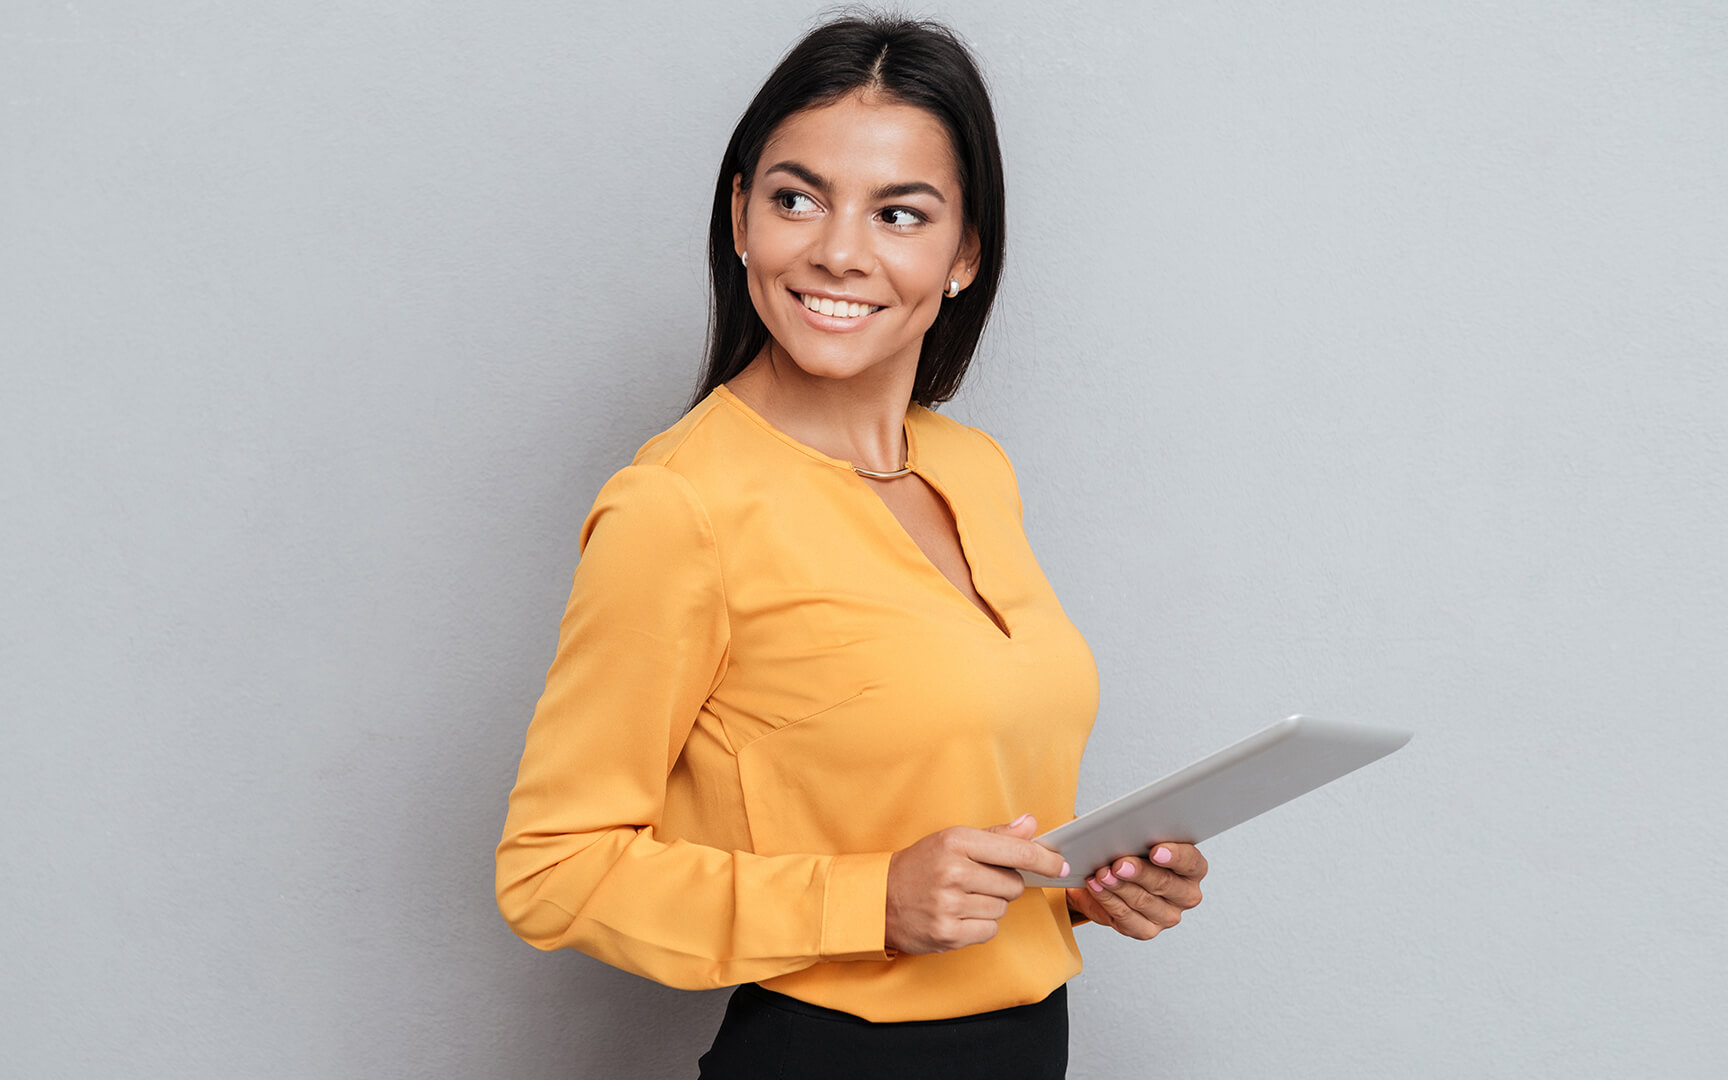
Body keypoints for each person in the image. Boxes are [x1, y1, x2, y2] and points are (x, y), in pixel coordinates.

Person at [494, 13, 1208, 1077]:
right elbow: (551, 872)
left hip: (1024, 1047)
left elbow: (950, 791)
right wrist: (869, 899)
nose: (837, 250)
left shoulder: (973, 469)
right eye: (796, 197)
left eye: (900, 213)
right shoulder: (676, 507)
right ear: (741, 217)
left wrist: (1089, 883)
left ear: (965, 252)